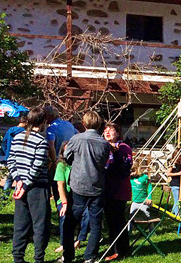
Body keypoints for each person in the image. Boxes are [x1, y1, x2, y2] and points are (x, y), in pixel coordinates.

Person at [62, 111, 110, 263]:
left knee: (70, 222)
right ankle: (90, 256)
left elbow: (67, 157)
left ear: (84, 124)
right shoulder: (104, 143)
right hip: (97, 185)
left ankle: (68, 255)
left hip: (79, 185)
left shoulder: (76, 139)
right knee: (96, 223)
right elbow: (104, 162)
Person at [7, 107, 51, 263]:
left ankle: (18, 257)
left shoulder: (17, 137)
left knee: (21, 223)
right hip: (36, 187)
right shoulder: (41, 141)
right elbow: (38, 165)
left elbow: (10, 160)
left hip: (20, 186)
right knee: (40, 225)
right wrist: (25, 185)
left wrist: (18, 180)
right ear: (43, 121)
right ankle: (39, 258)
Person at [102, 123, 132, 261]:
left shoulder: (123, 148)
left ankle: (120, 250)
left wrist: (116, 154)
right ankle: (114, 248)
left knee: (118, 221)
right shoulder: (104, 147)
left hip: (119, 189)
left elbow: (125, 168)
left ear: (118, 133)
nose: (107, 132)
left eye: (111, 130)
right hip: (107, 189)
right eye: (105, 130)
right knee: (110, 220)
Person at [53, 143, 90, 255]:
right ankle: (64, 243)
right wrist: (64, 203)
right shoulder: (61, 165)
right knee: (64, 215)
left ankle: (79, 239)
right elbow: (60, 186)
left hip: (80, 198)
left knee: (88, 214)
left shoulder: (80, 164)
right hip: (66, 199)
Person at [44, 106, 78, 204]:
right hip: (72, 161)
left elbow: (51, 145)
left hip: (59, 161)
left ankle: (61, 209)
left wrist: (54, 161)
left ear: (49, 116)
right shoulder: (69, 125)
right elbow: (78, 134)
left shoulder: (51, 128)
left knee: (58, 187)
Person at [1, 116, 27, 191]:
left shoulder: (10, 130)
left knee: (10, 177)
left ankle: (5, 194)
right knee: (19, 178)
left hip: (9, 157)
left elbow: (3, 142)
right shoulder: (23, 132)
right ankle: (17, 192)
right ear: (26, 123)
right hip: (19, 158)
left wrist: (7, 152)